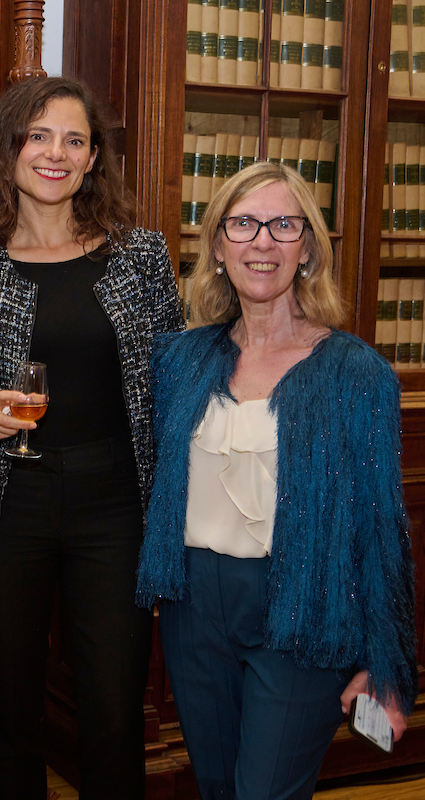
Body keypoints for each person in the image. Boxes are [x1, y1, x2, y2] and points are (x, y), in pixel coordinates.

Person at [0, 76, 184, 799]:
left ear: (94, 158)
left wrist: (171, 522)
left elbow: (170, 390)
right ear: (7, 152)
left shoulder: (140, 257)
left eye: (74, 139)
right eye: (37, 136)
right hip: (5, 508)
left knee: (112, 714)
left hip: (116, 509)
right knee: (11, 715)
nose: (56, 153)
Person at [136, 161, 418, 799]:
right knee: (215, 786)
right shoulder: (180, 359)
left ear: (307, 248)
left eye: (283, 225)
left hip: (303, 611)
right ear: (218, 245)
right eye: (243, 224)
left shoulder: (356, 373)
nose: (262, 241)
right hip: (193, 611)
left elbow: (381, 530)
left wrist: (386, 663)